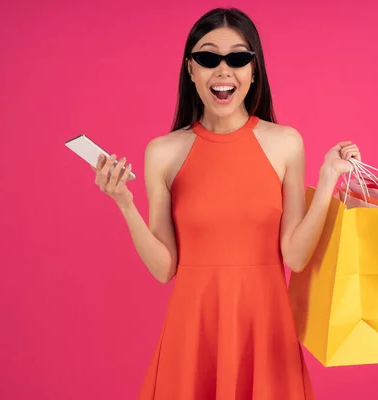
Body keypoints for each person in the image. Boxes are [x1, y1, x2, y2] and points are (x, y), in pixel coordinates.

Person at [93, 7, 361, 400]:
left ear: (254, 71)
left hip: (265, 330)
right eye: (207, 58)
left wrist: (326, 179)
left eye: (237, 58)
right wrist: (124, 203)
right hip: (193, 332)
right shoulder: (164, 152)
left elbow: (297, 257)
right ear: (190, 69)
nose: (223, 71)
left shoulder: (285, 143)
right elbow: (165, 267)